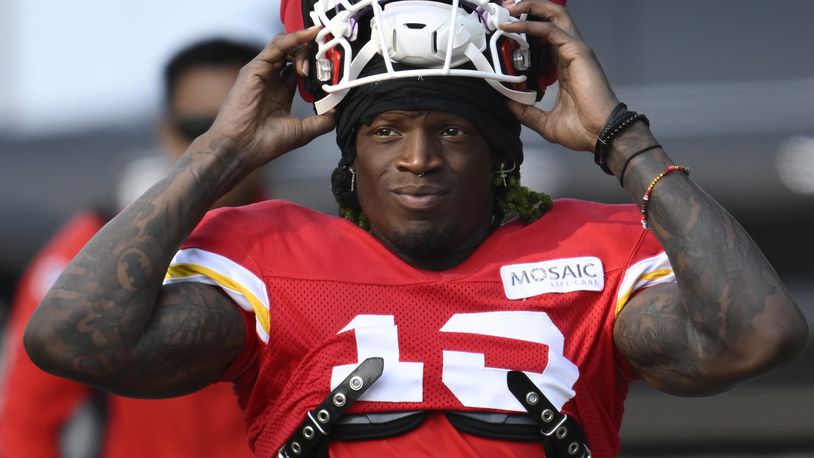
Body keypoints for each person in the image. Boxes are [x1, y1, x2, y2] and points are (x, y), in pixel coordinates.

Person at [23, 1, 808, 457]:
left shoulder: (589, 252)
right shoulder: (268, 254)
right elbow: (72, 340)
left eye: (453, 132)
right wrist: (219, 152)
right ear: (351, 152)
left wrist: (624, 140)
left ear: (500, 152)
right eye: (387, 131)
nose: (420, 159)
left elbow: (756, 336)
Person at [1, 38, 263, 458]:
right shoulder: (90, 244)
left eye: (242, 126)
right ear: (164, 130)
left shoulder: (306, 239)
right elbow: (23, 424)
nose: (222, 146)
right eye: (198, 128)